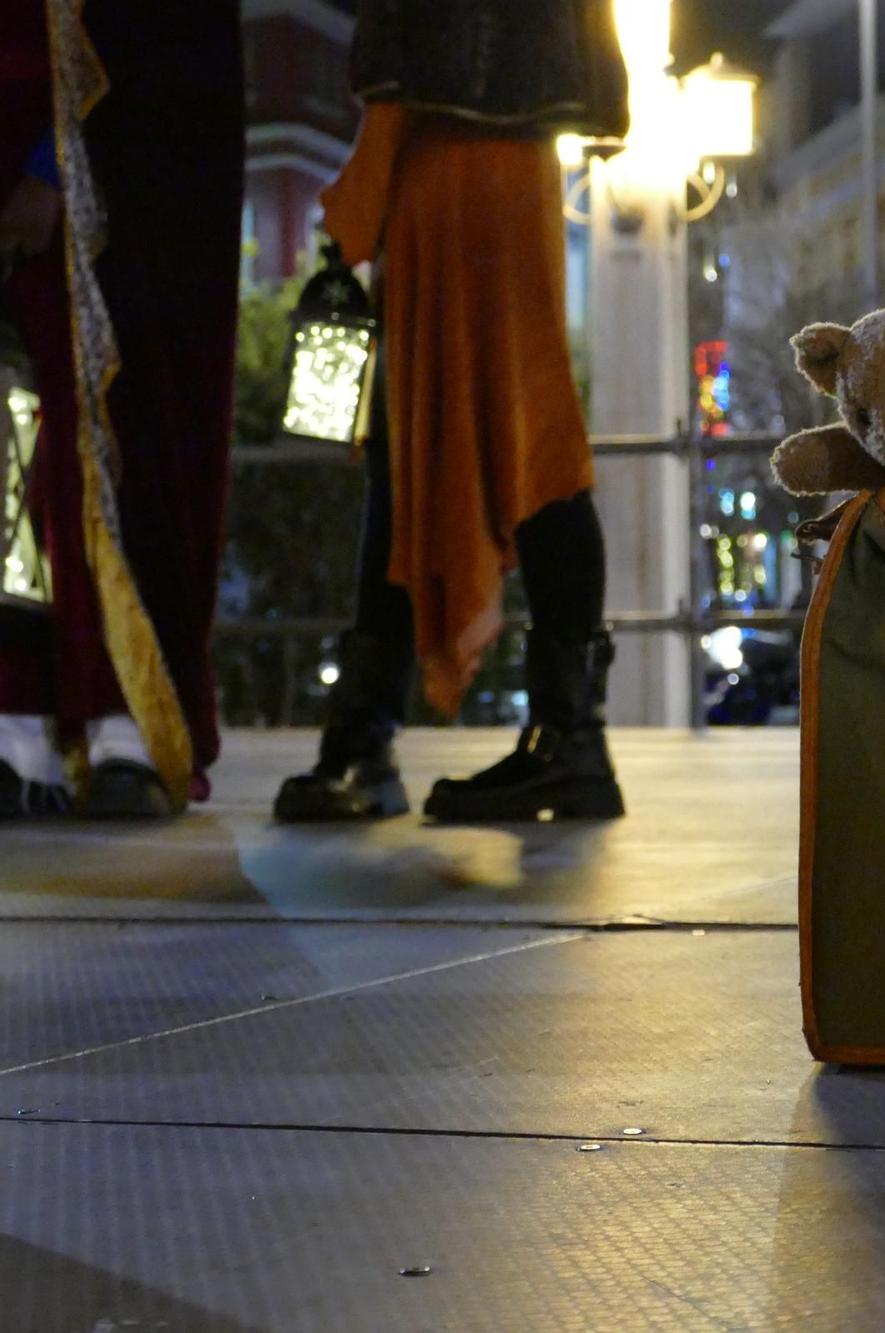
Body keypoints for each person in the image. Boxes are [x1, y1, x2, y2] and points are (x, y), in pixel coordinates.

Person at [274, 0, 630, 823]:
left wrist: (352, 215)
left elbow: (410, 61)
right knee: (533, 446)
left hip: (441, 179)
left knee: (419, 459)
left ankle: (364, 742)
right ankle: (570, 738)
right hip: (521, 178)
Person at [0, 1, 241, 819]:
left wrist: (55, 167)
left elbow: (152, 45)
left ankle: (122, 723)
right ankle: (20, 721)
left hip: (108, 164)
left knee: (103, 443)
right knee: (14, 449)